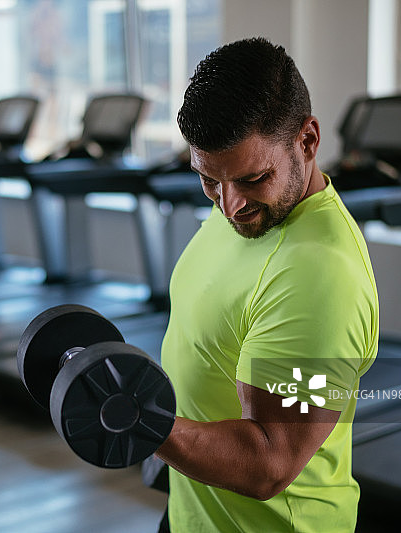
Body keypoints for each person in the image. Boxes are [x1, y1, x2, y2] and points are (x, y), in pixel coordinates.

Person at [154, 38, 379, 532]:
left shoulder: (319, 274)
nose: (229, 205)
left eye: (253, 178)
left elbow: (267, 464)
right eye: (209, 180)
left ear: (308, 141)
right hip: (195, 513)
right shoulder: (245, 208)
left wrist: (140, 421)